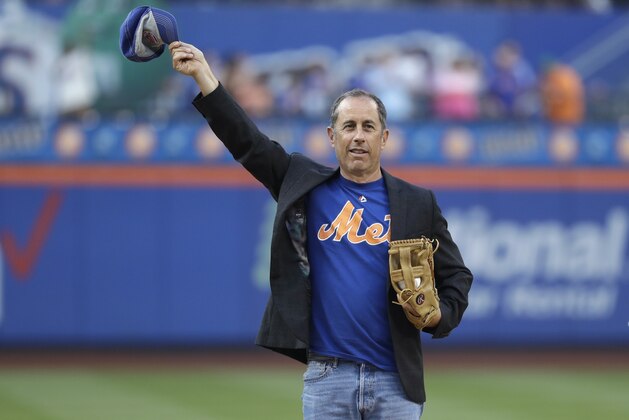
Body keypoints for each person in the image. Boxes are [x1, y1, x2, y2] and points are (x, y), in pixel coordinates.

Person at [169, 41, 473, 419]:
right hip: (329, 378)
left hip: (397, 380)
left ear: (385, 138)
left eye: (368, 126)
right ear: (332, 136)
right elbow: (247, 141)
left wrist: (440, 315)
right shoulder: (304, 184)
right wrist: (204, 76)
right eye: (349, 126)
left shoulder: (416, 202)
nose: (358, 135)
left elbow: (456, 274)